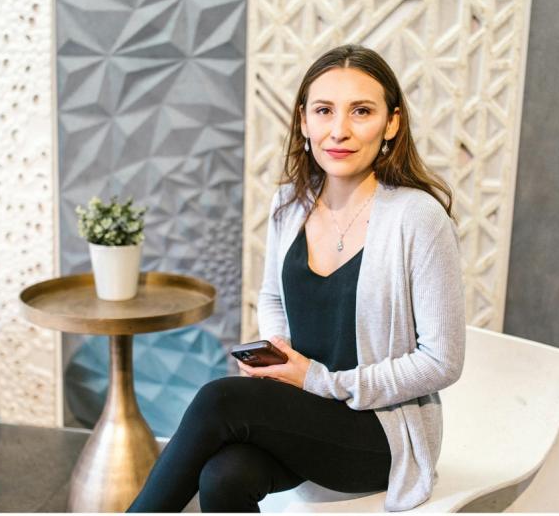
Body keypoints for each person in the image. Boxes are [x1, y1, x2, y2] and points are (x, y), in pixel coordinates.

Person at [126, 44, 466, 513]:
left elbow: (442, 361)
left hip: (377, 433)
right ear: (304, 121)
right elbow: (271, 296)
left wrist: (322, 381)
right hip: (304, 411)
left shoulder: (419, 218)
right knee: (222, 476)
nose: (339, 130)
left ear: (392, 123)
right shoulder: (290, 204)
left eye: (361, 111)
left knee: (219, 399)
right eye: (324, 110)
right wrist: (279, 352)